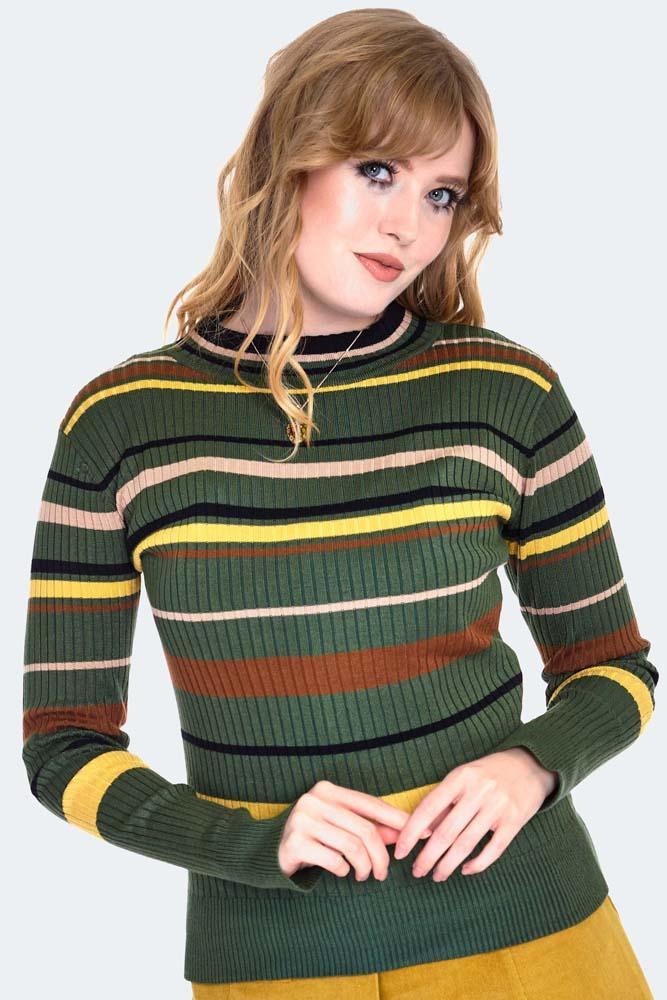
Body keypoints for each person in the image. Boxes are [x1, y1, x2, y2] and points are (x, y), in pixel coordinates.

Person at [22, 8, 657, 999]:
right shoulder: (123, 421)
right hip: (274, 965)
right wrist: (244, 842)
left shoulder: (505, 392)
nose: (410, 226)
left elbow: (614, 668)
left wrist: (533, 764)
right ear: (289, 159)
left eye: (441, 193)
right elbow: (62, 747)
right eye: (377, 171)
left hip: (532, 936)